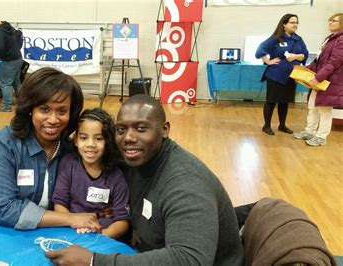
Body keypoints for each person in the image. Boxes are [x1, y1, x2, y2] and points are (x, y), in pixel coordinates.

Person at [46, 95, 244, 265]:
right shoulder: (132, 159)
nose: (129, 137)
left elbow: (189, 259)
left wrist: (93, 261)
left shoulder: (186, 183)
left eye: (141, 128)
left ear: (165, 129)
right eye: (121, 129)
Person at [0, 67, 101, 232]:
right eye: (44, 109)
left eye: (62, 111)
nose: (53, 119)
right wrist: (70, 218)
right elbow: (5, 210)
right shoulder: (2, 143)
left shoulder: (71, 150)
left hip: (33, 233)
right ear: (30, 109)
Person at [52, 108, 130, 239]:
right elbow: (59, 204)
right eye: (83, 138)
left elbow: (122, 221)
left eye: (98, 138)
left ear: (108, 141)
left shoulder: (116, 176)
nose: (90, 144)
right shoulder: (68, 164)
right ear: (76, 140)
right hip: (71, 232)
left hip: (103, 237)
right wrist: (72, 222)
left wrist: (101, 236)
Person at [294, 13, 343, 146]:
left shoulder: (341, 40)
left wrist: (317, 77)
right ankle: (309, 131)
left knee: (325, 110)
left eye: (334, 21)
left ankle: (321, 137)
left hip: (330, 82)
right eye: (330, 20)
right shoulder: (330, 39)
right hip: (321, 79)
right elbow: (318, 60)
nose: (330, 22)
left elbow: (334, 63)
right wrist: (304, 72)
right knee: (312, 107)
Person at [256, 14, 309, 135]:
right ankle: (267, 126)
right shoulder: (276, 38)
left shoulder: (298, 39)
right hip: (275, 75)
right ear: (284, 24)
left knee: (284, 102)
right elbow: (260, 49)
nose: (295, 25)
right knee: (271, 101)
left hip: (292, 75)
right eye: (292, 22)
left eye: (296, 22)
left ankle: (282, 125)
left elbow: (305, 54)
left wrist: (295, 56)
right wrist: (268, 61)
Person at [0, 14, 24, 112]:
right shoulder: (8, 27)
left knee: (5, 84)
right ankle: (23, 103)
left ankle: (6, 105)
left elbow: (1, 48)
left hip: (9, 60)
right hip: (18, 58)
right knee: (16, 82)